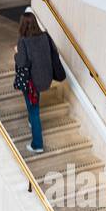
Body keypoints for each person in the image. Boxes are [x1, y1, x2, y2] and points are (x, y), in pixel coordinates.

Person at [14, 10, 66, 155]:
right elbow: (51, 53)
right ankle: (31, 121)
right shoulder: (45, 36)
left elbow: (22, 62)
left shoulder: (23, 41)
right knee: (33, 105)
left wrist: (16, 53)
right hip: (45, 78)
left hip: (32, 82)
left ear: (23, 25)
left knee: (34, 109)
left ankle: (37, 144)